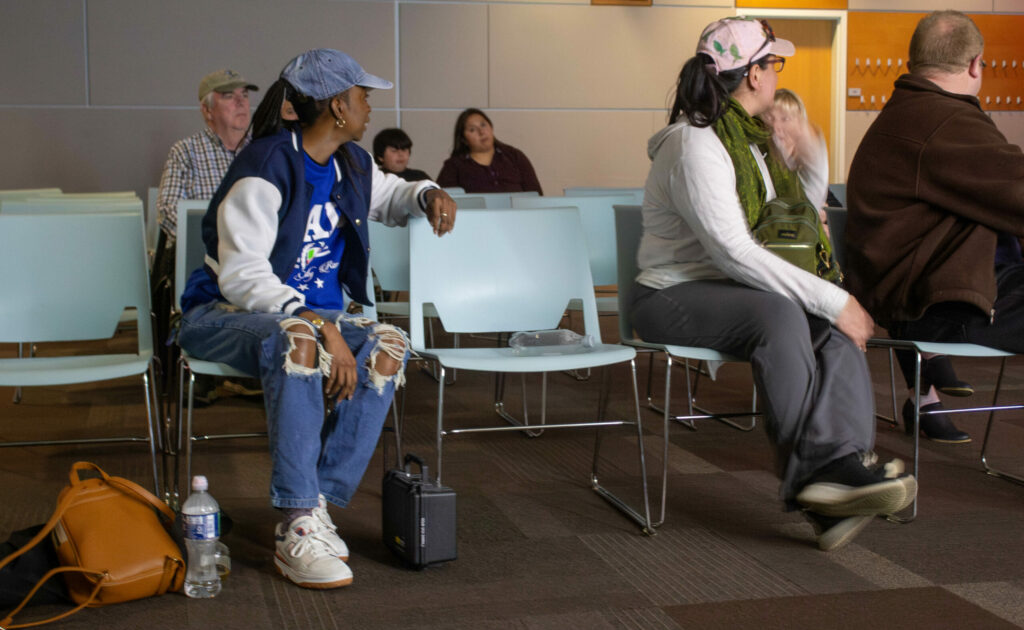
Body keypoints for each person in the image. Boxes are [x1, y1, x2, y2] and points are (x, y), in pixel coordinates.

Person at [629, 16, 916, 551]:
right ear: (753, 75)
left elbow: (798, 221)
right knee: (791, 313)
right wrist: (836, 299)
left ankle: (840, 470)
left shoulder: (752, 141)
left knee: (825, 323)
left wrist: (811, 152)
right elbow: (734, 252)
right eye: (772, 63)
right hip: (668, 295)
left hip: (732, 291)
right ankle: (816, 478)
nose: (777, 74)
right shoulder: (697, 146)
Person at [177, 48, 457, 589]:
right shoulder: (265, 164)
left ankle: (317, 506)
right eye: (362, 96)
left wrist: (426, 193)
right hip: (223, 313)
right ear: (336, 106)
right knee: (299, 336)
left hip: (308, 317)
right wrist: (323, 323)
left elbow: (394, 195)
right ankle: (296, 519)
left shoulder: (351, 162)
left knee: (389, 345)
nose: (370, 107)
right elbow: (241, 276)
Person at [846, 10, 1024, 443]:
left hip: (919, 297)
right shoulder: (943, 121)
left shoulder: (907, 114)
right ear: (975, 64)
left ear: (913, 61)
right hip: (938, 309)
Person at [151, 69, 259, 401]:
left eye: (244, 95)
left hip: (255, 257)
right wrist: (223, 237)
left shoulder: (263, 151)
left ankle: (252, 361)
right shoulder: (186, 151)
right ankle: (202, 358)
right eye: (229, 96)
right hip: (202, 258)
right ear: (207, 110)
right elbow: (169, 212)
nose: (241, 102)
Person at [436, 108, 542, 194]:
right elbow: (442, 200)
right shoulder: (454, 166)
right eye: (472, 130)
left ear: (491, 127)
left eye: (483, 125)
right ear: (464, 139)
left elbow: (536, 195)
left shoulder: (514, 156)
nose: (481, 132)